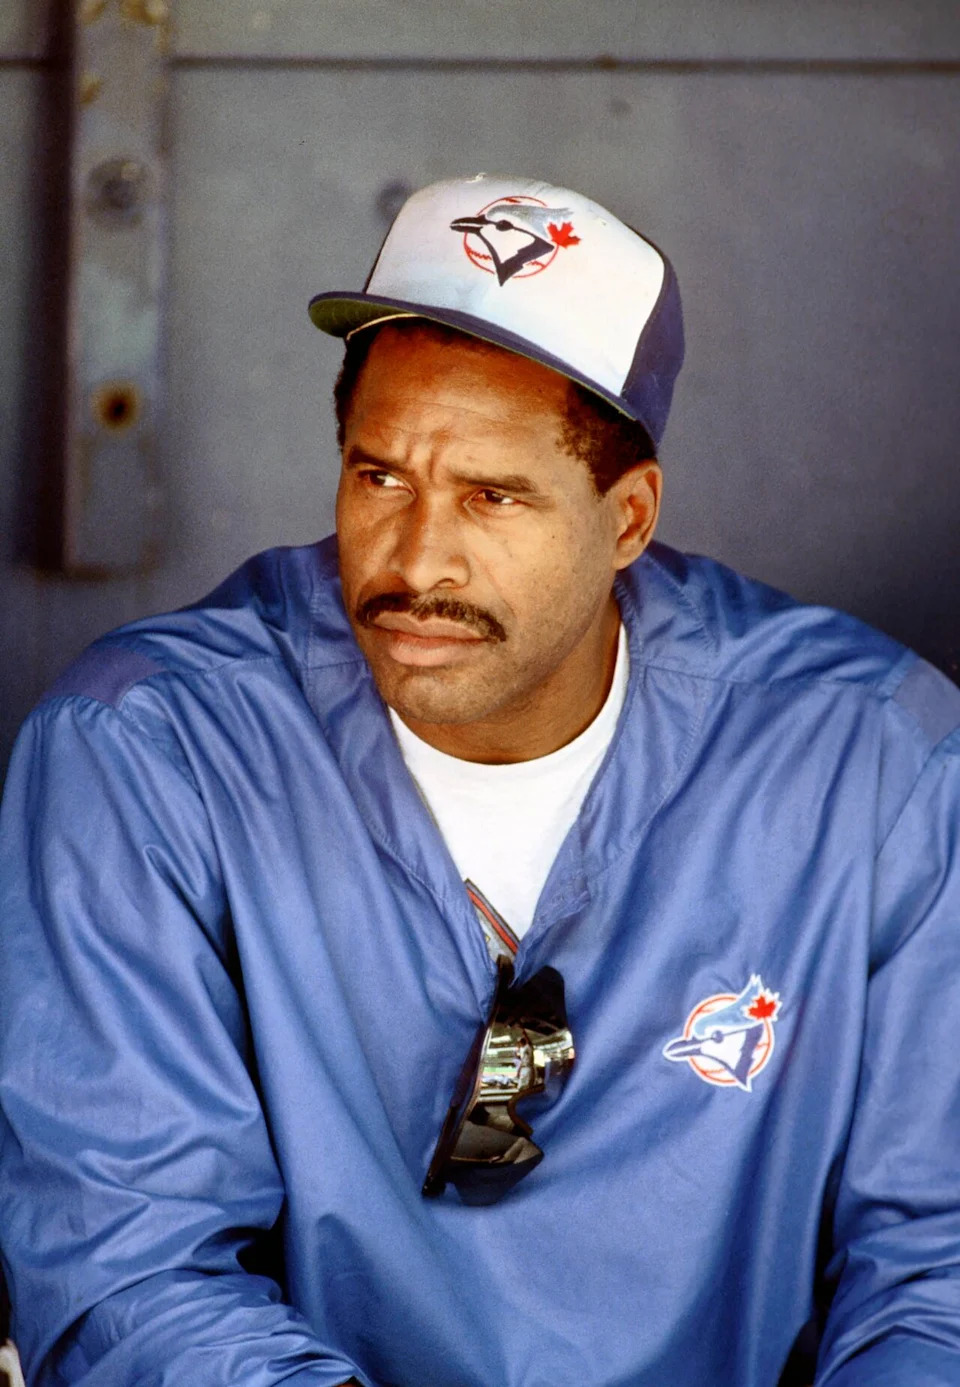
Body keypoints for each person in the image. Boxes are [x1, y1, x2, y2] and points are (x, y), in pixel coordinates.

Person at [1, 173, 959, 1387]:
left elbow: (938, 1277)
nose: (414, 561)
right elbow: (129, 1269)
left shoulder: (873, 763)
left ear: (628, 519)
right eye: (379, 475)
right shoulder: (150, 747)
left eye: (493, 495)